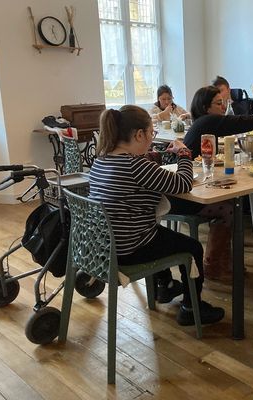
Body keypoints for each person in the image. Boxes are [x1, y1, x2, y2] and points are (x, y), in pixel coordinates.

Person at [88, 105, 224, 326]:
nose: (152, 138)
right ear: (139, 134)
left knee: (161, 234)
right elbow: (183, 183)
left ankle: (166, 286)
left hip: (104, 245)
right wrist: (184, 153)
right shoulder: (134, 165)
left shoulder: (101, 160)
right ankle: (191, 307)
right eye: (151, 133)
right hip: (129, 249)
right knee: (192, 247)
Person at [183, 85, 253, 157]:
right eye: (218, 104)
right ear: (205, 108)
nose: (223, 107)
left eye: (223, 103)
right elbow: (243, 122)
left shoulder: (202, 122)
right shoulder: (208, 121)